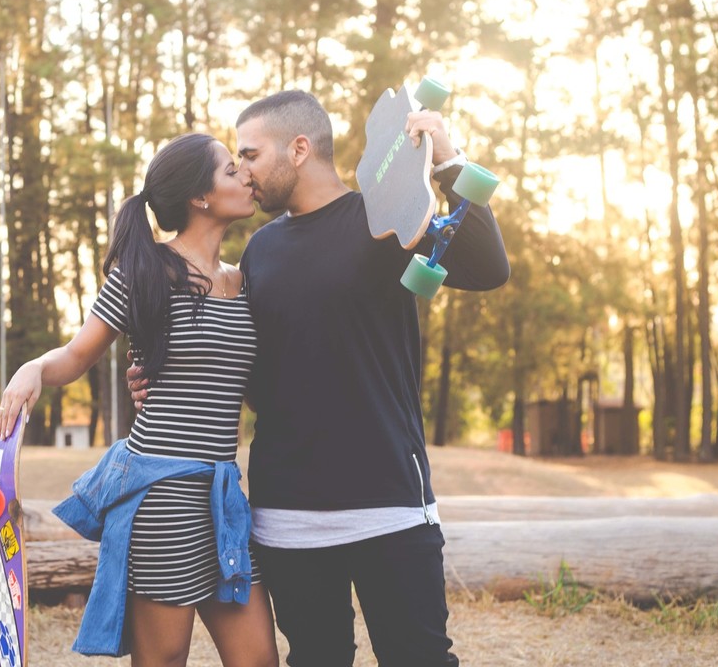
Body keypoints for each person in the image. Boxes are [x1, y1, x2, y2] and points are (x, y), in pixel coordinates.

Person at [133, 90, 510, 666]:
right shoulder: (260, 251)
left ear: (299, 149)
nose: (244, 172)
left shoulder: (386, 217)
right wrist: (169, 378)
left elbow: (487, 267)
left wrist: (448, 158)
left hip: (389, 506)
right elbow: (257, 376)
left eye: (251, 156)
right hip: (288, 517)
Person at [0, 132, 279, 667]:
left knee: (258, 658)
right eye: (229, 169)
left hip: (223, 494)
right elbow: (78, 355)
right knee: (164, 659)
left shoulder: (243, 282)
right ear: (200, 197)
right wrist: (33, 367)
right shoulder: (145, 272)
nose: (245, 174)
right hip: (163, 495)